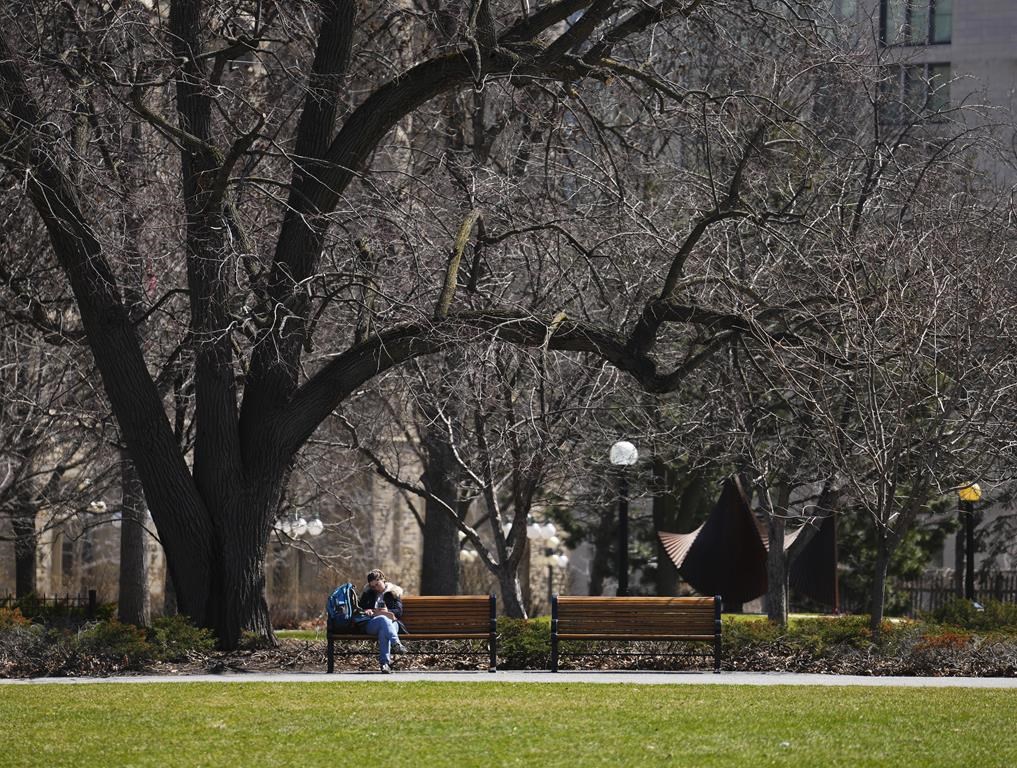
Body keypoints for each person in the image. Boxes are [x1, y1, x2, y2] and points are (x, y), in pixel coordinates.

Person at [358, 569, 406, 673]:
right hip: (372, 623)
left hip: (392, 622)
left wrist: (386, 611)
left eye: (377, 584)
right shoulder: (368, 593)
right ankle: (396, 644)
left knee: (384, 629)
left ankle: (385, 664)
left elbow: (398, 612)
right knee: (383, 620)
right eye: (372, 586)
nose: (375, 588)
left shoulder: (393, 592)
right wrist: (367, 610)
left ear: (383, 580)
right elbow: (359, 609)